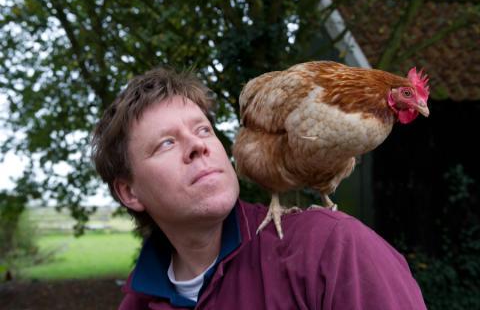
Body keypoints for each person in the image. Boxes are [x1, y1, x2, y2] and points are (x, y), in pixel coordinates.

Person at [91, 67, 427, 310]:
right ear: (130, 192)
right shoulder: (137, 302)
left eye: (204, 130)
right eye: (166, 143)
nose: (198, 146)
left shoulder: (334, 249)